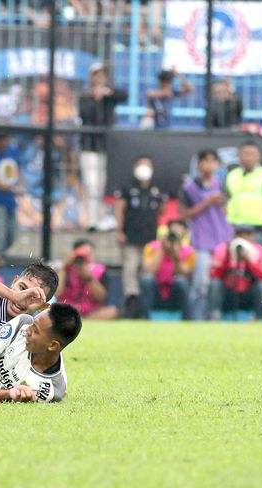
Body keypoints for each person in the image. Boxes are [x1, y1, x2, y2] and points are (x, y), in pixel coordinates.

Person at [178, 149, 234, 320]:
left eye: (213, 161)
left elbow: (228, 210)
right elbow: (183, 214)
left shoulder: (222, 184)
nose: (209, 165)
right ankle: (197, 318)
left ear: (218, 165)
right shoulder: (189, 186)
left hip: (222, 238)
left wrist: (222, 205)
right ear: (198, 164)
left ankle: (216, 316)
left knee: (220, 281)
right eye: (205, 161)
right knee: (201, 281)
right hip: (202, 239)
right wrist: (208, 201)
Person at [114, 156, 168, 318]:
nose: (143, 168)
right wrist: (120, 231)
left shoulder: (157, 189)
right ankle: (132, 300)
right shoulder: (127, 188)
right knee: (130, 268)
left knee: (146, 270)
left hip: (150, 238)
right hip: (131, 236)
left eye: (147, 165)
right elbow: (119, 209)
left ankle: (145, 304)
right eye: (140, 165)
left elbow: (162, 210)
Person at [78, 62, 127, 227]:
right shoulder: (85, 96)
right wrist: (95, 99)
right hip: (89, 146)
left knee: (102, 184)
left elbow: (124, 95)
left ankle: (101, 218)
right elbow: (84, 114)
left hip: (105, 146)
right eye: (96, 75)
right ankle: (92, 220)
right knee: (92, 184)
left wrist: (107, 94)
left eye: (102, 75)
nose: (100, 79)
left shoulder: (109, 96)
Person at [208, 225, 262, 320]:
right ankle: (214, 317)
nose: (243, 238)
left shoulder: (260, 251)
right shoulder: (222, 249)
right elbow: (213, 274)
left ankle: (260, 318)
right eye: (240, 235)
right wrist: (228, 256)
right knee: (215, 284)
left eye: (247, 235)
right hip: (228, 292)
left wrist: (248, 261)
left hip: (248, 293)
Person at [225, 141, 262, 240]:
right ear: (238, 156)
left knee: (258, 253)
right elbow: (226, 198)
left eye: (252, 154)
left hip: (258, 226)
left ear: (259, 157)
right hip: (234, 224)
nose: (248, 157)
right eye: (245, 154)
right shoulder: (232, 175)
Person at [139, 220, 195, 320]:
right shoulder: (151, 247)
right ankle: (144, 318)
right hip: (156, 292)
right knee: (147, 279)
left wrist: (176, 255)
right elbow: (150, 271)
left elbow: (184, 273)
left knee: (181, 281)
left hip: (174, 294)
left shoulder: (189, 252)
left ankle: (187, 319)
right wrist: (162, 249)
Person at [57, 239, 118, 319]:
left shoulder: (99, 270)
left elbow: (101, 297)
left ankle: (80, 320)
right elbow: (57, 293)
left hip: (90, 311)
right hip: (67, 310)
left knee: (112, 311)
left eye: (89, 254)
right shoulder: (64, 269)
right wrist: (63, 268)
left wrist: (89, 278)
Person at [0, 134, 21, 254]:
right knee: (0, 231)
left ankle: (3, 254)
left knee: (12, 232)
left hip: (11, 200)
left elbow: (17, 170)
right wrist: (7, 187)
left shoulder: (13, 152)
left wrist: (16, 186)